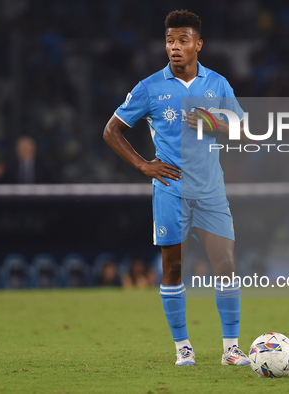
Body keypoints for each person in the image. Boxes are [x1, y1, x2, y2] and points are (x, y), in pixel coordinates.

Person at [103, 10, 249, 367]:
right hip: (170, 190)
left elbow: (243, 130)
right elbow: (111, 131)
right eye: (170, 40)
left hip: (211, 191)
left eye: (183, 40)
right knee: (172, 268)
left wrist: (207, 119)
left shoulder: (217, 84)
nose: (175, 47)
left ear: (198, 44)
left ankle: (231, 348)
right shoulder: (150, 87)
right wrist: (143, 164)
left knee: (226, 264)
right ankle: (183, 348)